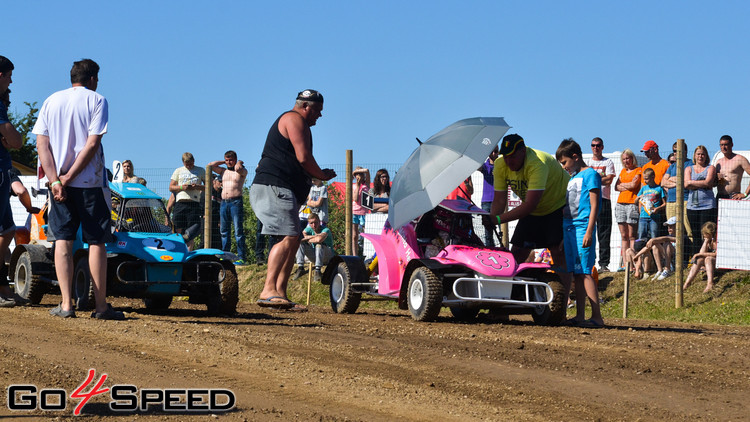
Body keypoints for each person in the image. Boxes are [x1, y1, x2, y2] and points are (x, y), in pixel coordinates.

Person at [33, 58, 123, 319]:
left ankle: (65, 305)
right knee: (97, 241)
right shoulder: (97, 100)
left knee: (62, 239)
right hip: (90, 183)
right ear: (92, 79)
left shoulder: (51, 100)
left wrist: (56, 181)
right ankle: (101, 307)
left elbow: (42, 146)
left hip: (58, 184)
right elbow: (93, 144)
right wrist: (71, 175)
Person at [249, 89, 336, 309]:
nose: (320, 115)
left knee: (294, 237)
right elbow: (304, 158)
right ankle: (269, 289)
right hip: (275, 186)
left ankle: (279, 293)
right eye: (317, 110)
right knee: (288, 236)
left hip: (280, 188)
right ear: (306, 106)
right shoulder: (294, 119)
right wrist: (322, 175)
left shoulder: (299, 122)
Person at [490, 134, 572, 311]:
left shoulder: (537, 163)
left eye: (513, 156)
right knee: (517, 252)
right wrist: (491, 221)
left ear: (523, 151)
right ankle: (502, 303)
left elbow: (529, 205)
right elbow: (499, 201)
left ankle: (561, 306)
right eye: (506, 156)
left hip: (557, 206)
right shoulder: (500, 164)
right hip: (534, 210)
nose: (509, 161)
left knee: (558, 253)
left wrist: (497, 219)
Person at [556, 139, 603, 328]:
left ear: (575, 157)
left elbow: (595, 205)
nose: (563, 166)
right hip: (568, 228)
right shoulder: (572, 177)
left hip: (583, 227)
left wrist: (589, 231)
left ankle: (597, 316)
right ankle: (580, 315)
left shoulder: (591, 174)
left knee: (585, 272)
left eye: (565, 162)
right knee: (576, 273)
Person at [0, 56, 23, 307]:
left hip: (3, 170)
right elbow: (16, 141)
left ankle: (4, 287)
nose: (11, 81)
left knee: (7, 231)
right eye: (8, 76)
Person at [209, 150, 247, 265]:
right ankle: (225, 256)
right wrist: (223, 162)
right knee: (224, 231)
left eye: (231, 160)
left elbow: (239, 169)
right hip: (224, 203)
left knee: (238, 231)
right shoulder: (223, 171)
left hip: (236, 202)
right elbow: (210, 165)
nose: (229, 162)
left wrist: (239, 162)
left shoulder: (240, 171)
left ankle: (241, 257)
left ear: (235, 160)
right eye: (227, 160)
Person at [586, 137, 615, 272]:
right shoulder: (587, 162)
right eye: (593, 145)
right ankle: (590, 261)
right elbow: (584, 180)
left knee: (604, 233)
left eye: (598, 145)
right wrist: (599, 179)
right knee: (588, 231)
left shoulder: (608, 162)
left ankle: (604, 263)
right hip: (588, 201)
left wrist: (593, 180)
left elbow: (609, 180)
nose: (596, 148)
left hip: (604, 199)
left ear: (602, 147)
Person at [661, 141, 693, 254]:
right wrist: (677, 181)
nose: (675, 153)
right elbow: (663, 182)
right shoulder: (672, 166)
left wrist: (672, 179)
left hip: (685, 200)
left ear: (685, 151)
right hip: (670, 201)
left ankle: (690, 256)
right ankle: (674, 259)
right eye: (674, 151)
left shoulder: (690, 164)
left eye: (678, 151)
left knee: (688, 229)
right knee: (672, 231)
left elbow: (686, 181)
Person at [685, 145, 717, 257]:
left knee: (707, 233)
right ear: (694, 155)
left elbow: (708, 183)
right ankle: (696, 258)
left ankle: (706, 256)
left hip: (707, 206)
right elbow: (686, 184)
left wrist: (692, 183)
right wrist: (702, 183)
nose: (700, 156)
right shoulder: (689, 169)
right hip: (692, 207)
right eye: (698, 154)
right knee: (695, 233)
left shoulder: (711, 168)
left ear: (706, 156)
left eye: (703, 154)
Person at [169, 152, 205, 250]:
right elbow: (171, 187)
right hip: (180, 202)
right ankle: (175, 250)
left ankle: (188, 253)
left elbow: (209, 187)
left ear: (194, 161)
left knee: (191, 232)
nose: (189, 166)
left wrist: (198, 186)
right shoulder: (178, 171)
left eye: (190, 163)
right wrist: (181, 187)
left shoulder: (200, 170)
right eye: (186, 164)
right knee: (177, 229)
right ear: (183, 162)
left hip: (194, 202)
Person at [614, 149, 642, 271]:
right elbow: (616, 187)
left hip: (632, 203)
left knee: (632, 235)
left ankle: (633, 262)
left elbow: (633, 185)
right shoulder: (622, 172)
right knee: (623, 235)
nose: (626, 161)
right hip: (620, 204)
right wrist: (627, 185)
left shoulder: (638, 170)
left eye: (628, 158)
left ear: (632, 158)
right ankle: (625, 263)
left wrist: (623, 186)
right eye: (624, 159)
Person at [292, 213, 334, 282]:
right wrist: (314, 236)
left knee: (319, 245)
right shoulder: (308, 229)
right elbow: (300, 238)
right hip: (316, 255)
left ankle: (318, 271)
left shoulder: (325, 229)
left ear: (319, 222)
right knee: (300, 244)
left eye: (315, 222)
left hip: (327, 256)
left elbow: (319, 240)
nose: (314, 225)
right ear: (309, 223)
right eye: (311, 223)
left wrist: (308, 239)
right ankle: (300, 267)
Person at [683, 221, 717, 293]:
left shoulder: (718, 241)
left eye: (705, 234)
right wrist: (706, 241)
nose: (703, 235)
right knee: (699, 259)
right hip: (712, 264)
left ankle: (710, 283)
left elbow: (716, 254)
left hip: (720, 264)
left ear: (710, 233)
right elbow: (702, 253)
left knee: (708, 259)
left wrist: (698, 254)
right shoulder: (709, 240)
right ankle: (687, 283)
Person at [715, 135, 750, 200]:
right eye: (721, 145)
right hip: (719, 196)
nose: (723, 147)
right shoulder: (718, 162)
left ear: (732, 145)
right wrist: (717, 178)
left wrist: (745, 194)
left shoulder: (740, 159)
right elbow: (714, 182)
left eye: (726, 144)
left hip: (733, 196)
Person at [635, 168, 666, 240]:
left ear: (652, 177)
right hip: (643, 216)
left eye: (646, 179)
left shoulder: (659, 188)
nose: (645, 181)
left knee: (654, 237)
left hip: (654, 217)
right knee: (641, 236)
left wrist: (657, 209)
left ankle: (655, 250)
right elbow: (635, 201)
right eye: (644, 179)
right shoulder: (643, 188)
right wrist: (639, 197)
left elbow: (665, 203)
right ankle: (642, 250)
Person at [644, 216, 679, 281]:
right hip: (667, 257)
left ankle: (667, 269)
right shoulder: (668, 236)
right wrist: (637, 256)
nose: (669, 228)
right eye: (668, 226)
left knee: (667, 243)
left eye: (671, 226)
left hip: (676, 260)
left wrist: (652, 239)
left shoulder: (682, 237)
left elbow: (666, 238)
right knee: (655, 246)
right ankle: (660, 270)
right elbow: (647, 247)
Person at [480, 147, 499, 247]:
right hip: (486, 201)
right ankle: (490, 249)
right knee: (488, 229)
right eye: (491, 150)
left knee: (500, 226)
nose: (493, 153)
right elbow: (477, 167)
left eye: (495, 151)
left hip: (498, 201)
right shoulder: (485, 165)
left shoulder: (502, 165)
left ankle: (502, 247)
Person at [352, 166, 370, 256]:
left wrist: (356, 171)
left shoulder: (366, 184)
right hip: (354, 212)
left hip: (364, 212)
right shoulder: (353, 186)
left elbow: (367, 171)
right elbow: (355, 198)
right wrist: (358, 185)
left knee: (366, 234)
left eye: (360, 174)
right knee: (354, 235)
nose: (358, 176)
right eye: (356, 175)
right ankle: (355, 255)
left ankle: (366, 254)